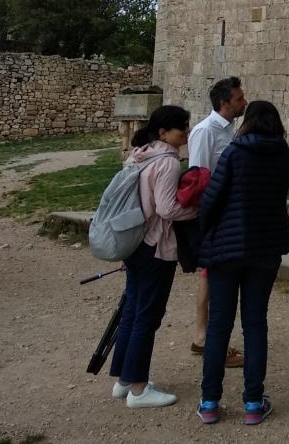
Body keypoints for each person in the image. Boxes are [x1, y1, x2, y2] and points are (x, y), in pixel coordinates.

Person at [196, 100, 289, 426]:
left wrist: (205, 231)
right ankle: (253, 402)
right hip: (266, 248)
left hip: (227, 248)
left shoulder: (234, 153)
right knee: (255, 324)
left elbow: (211, 198)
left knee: (219, 325)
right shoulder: (286, 156)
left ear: (248, 122)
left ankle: (210, 401)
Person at [109, 106, 198, 408]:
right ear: (163, 132)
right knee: (148, 315)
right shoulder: (168, 163)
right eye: (181, 128)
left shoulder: (140, 154)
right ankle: (138, 389)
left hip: (133, 242)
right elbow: (167, 208)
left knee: (133, 310)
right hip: (156, 245)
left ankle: (124, 379)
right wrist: (200, 211)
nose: (186, 132)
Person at [187, 76, 247, 365]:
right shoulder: (204, 131)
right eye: (238, 99)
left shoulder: (229, 129)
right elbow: (197, 178)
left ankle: (205, 337)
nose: (244, 102)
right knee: (212, 275)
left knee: (211, 276)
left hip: (228, 213)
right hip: (213, 213)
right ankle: (204, 338)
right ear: (224, 103)